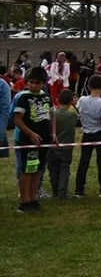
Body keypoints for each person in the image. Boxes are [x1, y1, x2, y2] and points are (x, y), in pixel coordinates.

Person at [12, 66, 52, 213]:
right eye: (31, 82)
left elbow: (51, 115)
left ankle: (34, 199)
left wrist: (53, 133)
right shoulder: (23, 97)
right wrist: (31, 134)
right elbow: (17, 119)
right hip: (27, 141)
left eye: (38, 82)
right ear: (27, 82)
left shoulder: (46, 97)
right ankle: (24, 201)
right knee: (27, 170)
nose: (34, 85)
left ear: (44, 83)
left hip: (44, 140)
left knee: (38, 170)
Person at [74, 75, 101, 198]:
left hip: (87, 133)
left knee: (84, 161)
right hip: (100, 133)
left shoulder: (82, 100)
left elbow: (78, 113)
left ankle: (79, 189)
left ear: (88, 86)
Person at [47, 89, 78, 200]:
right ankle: (62, 192)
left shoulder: (53, 114)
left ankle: (55, 190)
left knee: (53, 169)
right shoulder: (72, 114)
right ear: (71, 102)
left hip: (52, 147)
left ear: (57, 100)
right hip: (67, 147)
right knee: (64, 169)